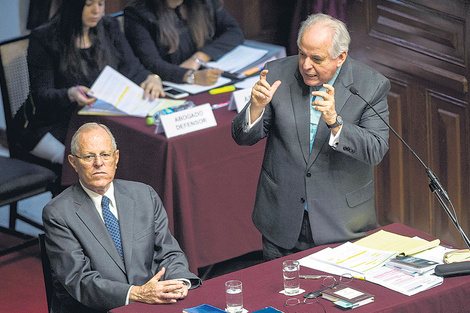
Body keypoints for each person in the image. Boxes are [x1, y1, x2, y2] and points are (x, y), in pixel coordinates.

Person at [231, 13, 391, 261]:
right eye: (302, 53)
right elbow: (243, 137)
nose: (306, 65)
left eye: (316, 58)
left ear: (341, 57)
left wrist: (335, 122)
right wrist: (256, 108)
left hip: (342, 225)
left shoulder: (370, 85)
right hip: (282, 220)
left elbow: (375, 149)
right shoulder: (276, 73)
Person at [42, 122, 201, 312]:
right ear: (73, 162)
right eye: (88, 157)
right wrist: (135, 293)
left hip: (150, 303)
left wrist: (178, 282)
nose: (98, 163)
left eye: (105, 155)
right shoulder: (58, 213)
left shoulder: (144, 195)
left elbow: (169, 253)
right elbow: (79, 280)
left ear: (116, 158)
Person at [21, 0, 165, 166]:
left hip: (102, 120)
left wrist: (151, 78)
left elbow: (132, 69)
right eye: (89, 5)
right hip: (59, 123)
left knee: (139, 152)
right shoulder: (44, 38)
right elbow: (42, 95)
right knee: (98, 165)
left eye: (101, 4)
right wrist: (70, 94)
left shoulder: (109, 27)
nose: (96, 11)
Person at [123, 0, 244, 85]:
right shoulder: (137, 13)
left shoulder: (204, 2)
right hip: (169, 82)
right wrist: (190, 76)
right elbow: (151, 63)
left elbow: (234, 31)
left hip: (208, 75)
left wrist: (200, 57)